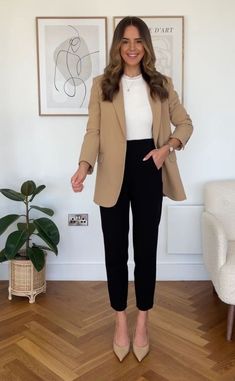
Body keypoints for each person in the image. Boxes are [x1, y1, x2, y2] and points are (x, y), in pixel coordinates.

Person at [71, 16, 193, 362]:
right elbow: (92, 132)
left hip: (147, 169)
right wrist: (83, 167)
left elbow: (185, 124)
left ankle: (143, 321)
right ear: (117, 46)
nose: (132, 48)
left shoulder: (161, 84)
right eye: (125, 41)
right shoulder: (102, 85)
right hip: (111, 171)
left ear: (146, 45)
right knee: (114, 251)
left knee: (145, 250)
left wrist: (165, 149)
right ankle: (120, 322)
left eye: (138, 41)